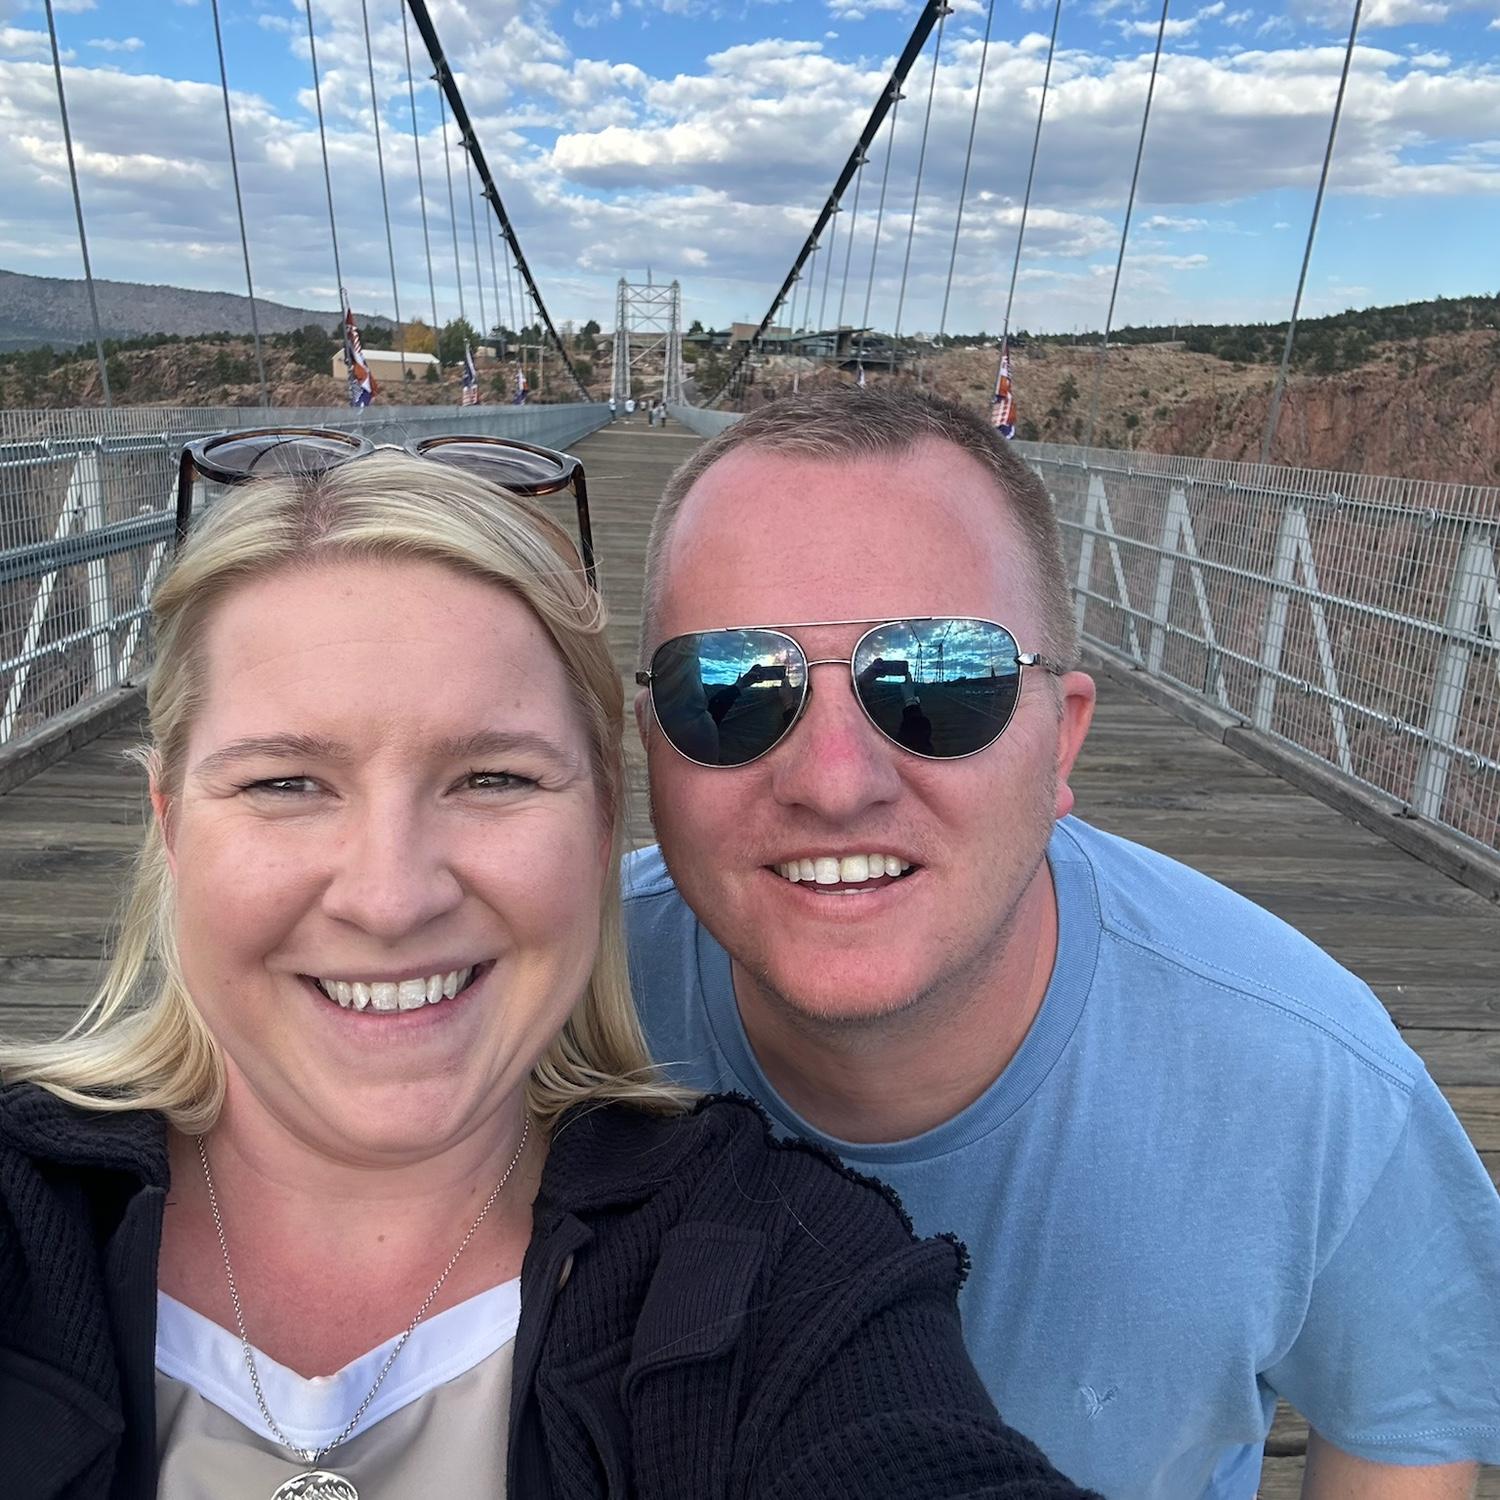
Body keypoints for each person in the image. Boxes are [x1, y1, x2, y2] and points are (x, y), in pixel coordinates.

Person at [0, 432, 1100, 1500]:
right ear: (171, 824)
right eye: (285, 784)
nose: (391, 896)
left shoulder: (787, 1278)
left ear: (603, 824)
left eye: (493, 779)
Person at [624, 385, 1500, 1500]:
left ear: (1062, 740)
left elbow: (1403, 1443)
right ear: (648, 749)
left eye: (940, 681)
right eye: (728, 695)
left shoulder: (1319, 1092)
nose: (835, 783)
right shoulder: (536, 1009)